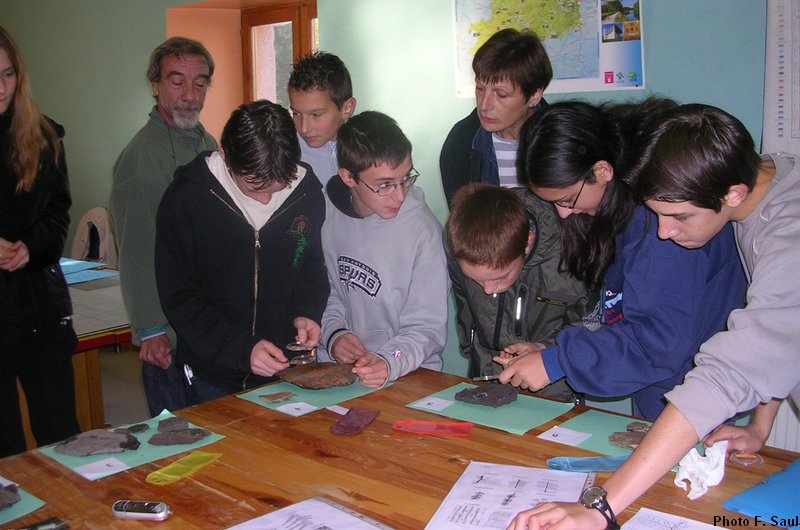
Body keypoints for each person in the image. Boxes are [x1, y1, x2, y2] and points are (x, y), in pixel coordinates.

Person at [507, 105, 800, 530]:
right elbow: (773, 334)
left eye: (677, 217)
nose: (664, 233)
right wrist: (760, 422)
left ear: (733, 194)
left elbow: (726, 369)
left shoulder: (788, 238)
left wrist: (599, 509)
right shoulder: (754, 189)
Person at [495, 100, 746, 421]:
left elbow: (658, 341)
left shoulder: (661, 225)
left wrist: (558, 363)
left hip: (693, 395)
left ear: (602, 171)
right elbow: (624, 311)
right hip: (665, 387)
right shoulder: (623, 206)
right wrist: (554, 354)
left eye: (567, 200)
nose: (564, 213)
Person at [155, 99, 328, 404]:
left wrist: (307, 312)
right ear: (224, 153)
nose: (265, 201)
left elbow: (310, 263)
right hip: (212, 373)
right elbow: (180, 296)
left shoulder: (307, 192)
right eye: (254, 188)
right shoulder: (187, 198)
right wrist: (241, 349)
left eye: (277, 188)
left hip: (285, 372)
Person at [109, 37, 217, 416]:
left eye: (199, 82)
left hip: (205, 328)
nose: (190, 94)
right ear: (155, 86)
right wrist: (151, 329)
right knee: (179, 442)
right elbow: (136, 252)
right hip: (168, 337)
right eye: (177, 82)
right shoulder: (140, 159)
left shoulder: (208, 143)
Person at [317, 111, 448, 388]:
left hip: (408, 374)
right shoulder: (324, 214)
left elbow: (427, 329)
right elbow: (326, 293)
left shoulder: (423, 231)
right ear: (348, 177)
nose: (400, 195)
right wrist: (335, 335)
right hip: (341, 372)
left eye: (405, 178)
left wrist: (390, 360)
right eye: (385, 184)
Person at [0, 26, 80, 457]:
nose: (1, 87)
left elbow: (57, 210)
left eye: (9, 74)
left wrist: (31, 247)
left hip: (39, 307)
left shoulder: (43, 135)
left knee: (61, 435)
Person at [445, 183, 593, 402]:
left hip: (554, 385)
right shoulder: (458, 240)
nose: (487, 289)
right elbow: (465, 309)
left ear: (527, 243)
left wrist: (545, 349)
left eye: (500, 277)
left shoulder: (574, 252)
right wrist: (471, 349)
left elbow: (591, 328)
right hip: (485, 374)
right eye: (475, 279)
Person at [439, 28, 551, 207]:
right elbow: (464, 224)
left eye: (501, 94)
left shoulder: (562, 139)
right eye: (480, 88)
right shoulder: (461, 144)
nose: (484, 105)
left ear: (534, 97)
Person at [288, 51, 357, 186]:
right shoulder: (284, 152)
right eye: (296, 113)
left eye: (316, 115)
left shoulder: (369, 149)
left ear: (347, 109)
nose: (304, 128)